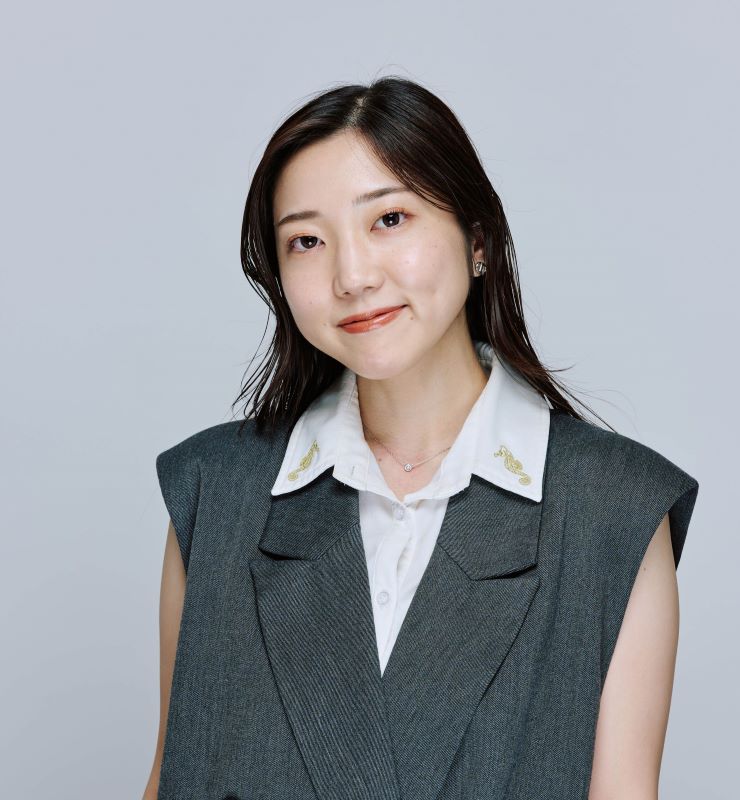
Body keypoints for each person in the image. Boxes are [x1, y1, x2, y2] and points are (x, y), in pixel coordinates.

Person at [143, 77, 699, 800]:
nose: (352, 276)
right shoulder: (216, 492)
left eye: (390, 219)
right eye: (307, 240)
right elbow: (170, 776)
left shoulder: (612, 509)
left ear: (478, 239)